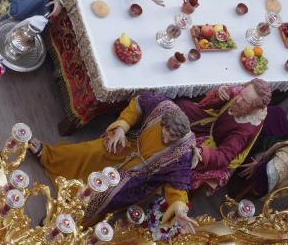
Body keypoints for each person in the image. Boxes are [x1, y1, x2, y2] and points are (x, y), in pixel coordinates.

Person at [31, 93, 198, 230]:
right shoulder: (163, 106)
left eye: (172, 138)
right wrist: (122, 128)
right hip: (129, 146)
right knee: (92, 150)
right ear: (164, 123)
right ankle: (48, 155)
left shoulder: (184, 152)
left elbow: (179, 186)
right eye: (166, 133)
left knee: (104, 195)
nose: (167, 138)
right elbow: (137, 105)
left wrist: (179, 207)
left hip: (140, 178)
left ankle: (63, 222)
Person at [178, 78, 273, 192]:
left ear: (255, 108)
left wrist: (203, 153)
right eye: (241, 94)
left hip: (215, 146)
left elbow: (224, 157)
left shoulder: (243, 132)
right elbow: (231, 93)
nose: (238, 99)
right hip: (212, 123)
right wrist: (220, 92)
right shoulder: (245, 95)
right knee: (181, 106)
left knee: (182, 160)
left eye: (244, 101)